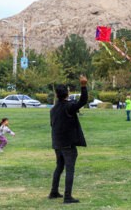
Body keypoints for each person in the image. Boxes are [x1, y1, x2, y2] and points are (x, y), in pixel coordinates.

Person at [49, 75, 88, 204]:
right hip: (67, 143)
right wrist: (83, 86)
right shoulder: (69, 106)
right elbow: (83, 101)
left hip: (57, 142)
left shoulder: (53, 109)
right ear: (67, 94)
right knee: (69, 169)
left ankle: (54, 191)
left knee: (59, 167)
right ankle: (67, 196)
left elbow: (52, 125)